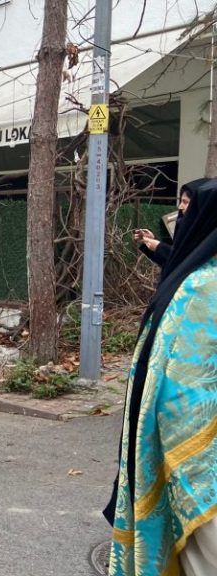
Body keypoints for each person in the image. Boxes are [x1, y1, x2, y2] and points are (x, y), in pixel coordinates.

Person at [104, 180, 217, 576]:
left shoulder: (201, 289)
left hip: (200, 465)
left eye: (188, 209)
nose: (181, 215)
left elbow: (178, 392)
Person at [133, 179, 201, 270]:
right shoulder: (186, 227)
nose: (180, 207)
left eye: (185, 202)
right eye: (181, 201)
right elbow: (170, 262)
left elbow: (186, 261)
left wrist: (159, 246)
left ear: (198, 203)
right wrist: (149, 242)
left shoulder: (207, 234)